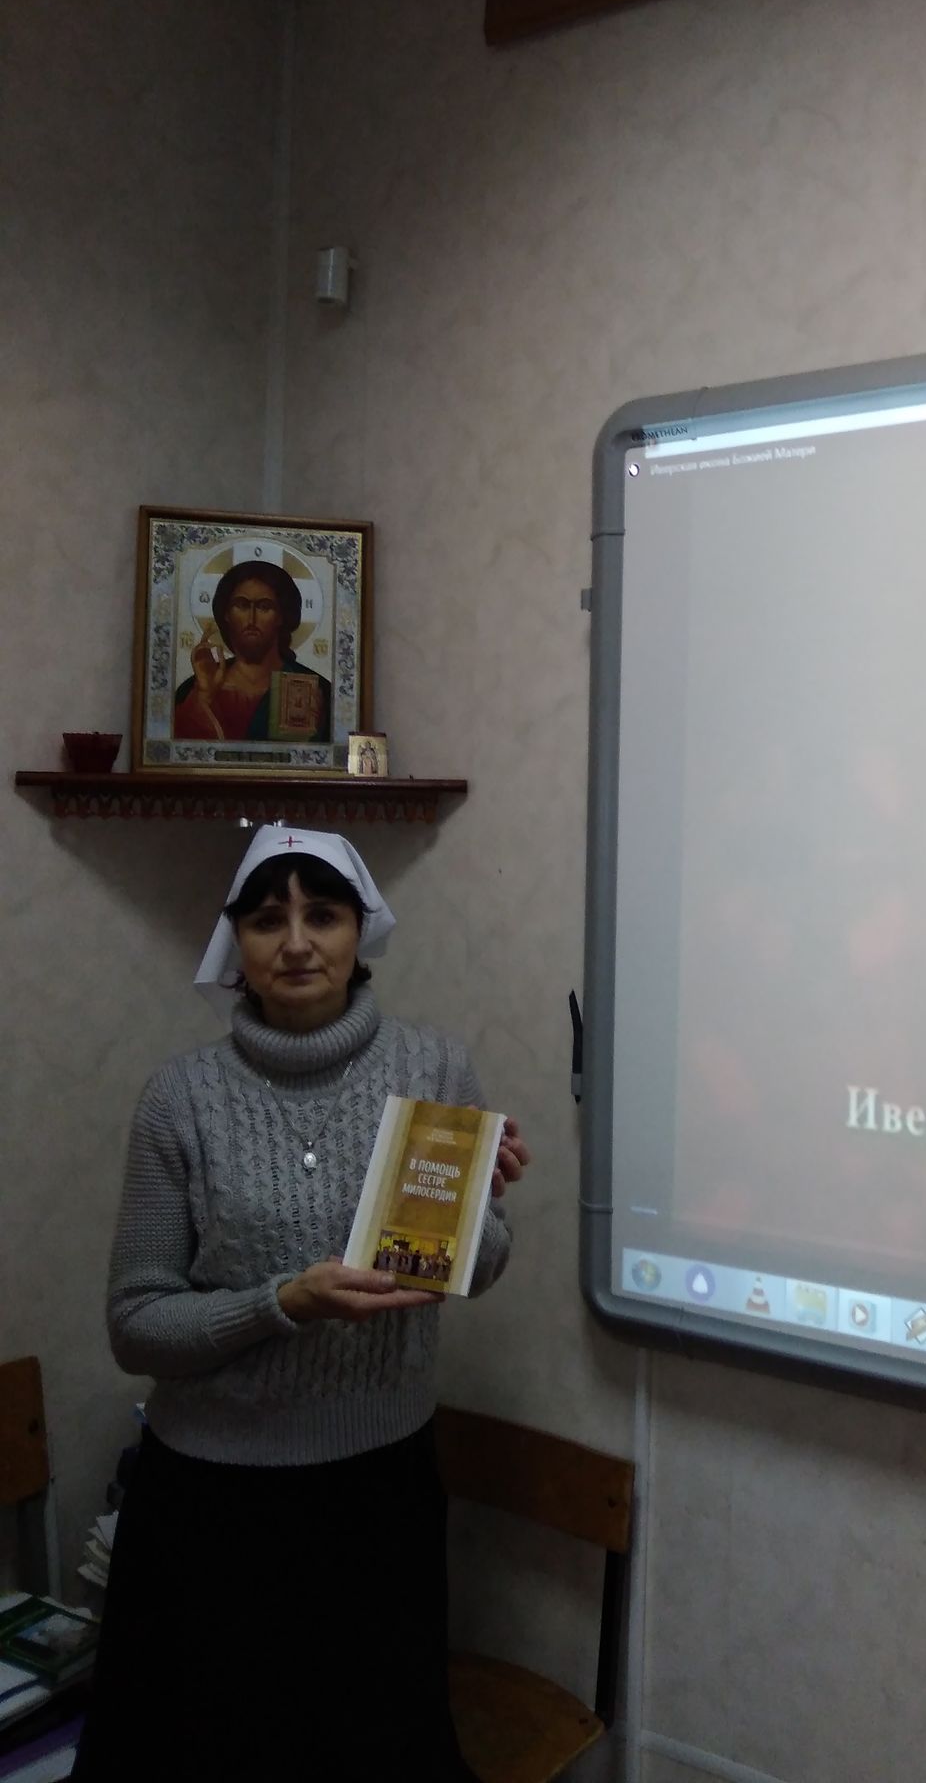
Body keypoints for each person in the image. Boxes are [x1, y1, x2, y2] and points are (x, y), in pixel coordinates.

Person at [73, 826, 530, 1783]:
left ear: (360, 933)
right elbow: (135, 1324)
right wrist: (281, 1302)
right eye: (266, 919)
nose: (295, 943)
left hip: (378, 1494)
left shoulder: (434, 1069)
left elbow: (476, 1268)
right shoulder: (179, 1099)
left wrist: (476, 1208)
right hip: (210, 1509)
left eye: (321, 915)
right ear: (233, 942)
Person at [173, 559, 334, 742]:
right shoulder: (193, 689)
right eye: (241, 605)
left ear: (282, 616)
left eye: (264, 607)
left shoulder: (316, 688)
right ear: (226, 614)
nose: (251, 618)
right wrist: (203, 697)